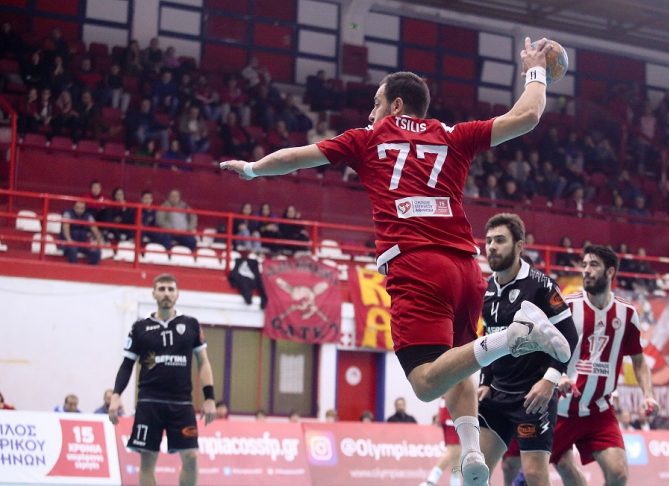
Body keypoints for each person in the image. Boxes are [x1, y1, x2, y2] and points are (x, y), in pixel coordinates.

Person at [221, 39, 571, 486]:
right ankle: (471, 454)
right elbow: (527, 117)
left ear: (396, 105)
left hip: (417, 266)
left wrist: (252, 169)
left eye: (376, 103)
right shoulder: (452, 135)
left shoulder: (367, 139)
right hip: (467, 270)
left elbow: (294, 158)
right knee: (460, 362)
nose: (371, 113)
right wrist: (535, 70)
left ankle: (512, 336)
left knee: (425, 382)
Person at [477, 213, 578, 486]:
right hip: (497, 393)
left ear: (519, 245)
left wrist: (549, 381)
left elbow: (569, 336)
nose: (492, 247)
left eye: (500, 240)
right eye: (488, 241)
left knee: (534, 475)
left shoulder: (541, 286)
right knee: (476, 471)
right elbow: (488, 338)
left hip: (533, 397)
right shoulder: (485, 290)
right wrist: (485, 380)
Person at [551, 245, 658, 486]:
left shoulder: (627, 314)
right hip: (560, 409)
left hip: (599, 411)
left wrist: (648, 395)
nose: (586, 271)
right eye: (584, 265)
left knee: (618, 474)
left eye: (593, 265)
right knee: (566, 468)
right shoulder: (567, 307)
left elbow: (639, 361)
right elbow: (545, 351)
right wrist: (559, 377)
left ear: (610, 272)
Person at [107, 273, 216, 486]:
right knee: (147, 460)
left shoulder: (191, 325)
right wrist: (116, 395)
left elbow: (203, 362)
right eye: (162, 289)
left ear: (177, 294)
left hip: (181, 403)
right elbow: (127, 364)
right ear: (154, 294)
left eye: (170, 289)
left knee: (191, 456)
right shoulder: (140, 327)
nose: (166, 293)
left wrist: (210, 397)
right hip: (149, 402)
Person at [420, 397, 463, 486]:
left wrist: (440, 414)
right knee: (452, 450)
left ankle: (455, 483)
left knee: (457, 453)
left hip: (451, 413)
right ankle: (430, 482)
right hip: (452, 415)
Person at [61, 200, 104, 264]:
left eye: (82, 208)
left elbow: (95, 230)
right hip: (70, 242)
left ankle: (92, 268)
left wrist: (99, 241)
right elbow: (66, 228)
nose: (79, 210)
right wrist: (69, 240)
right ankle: (73, 268)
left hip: (83, 242)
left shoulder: (88, 216)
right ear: (74, 207)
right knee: (72, 250)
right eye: (77, 207)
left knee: (96, 251)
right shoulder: (67, 214)